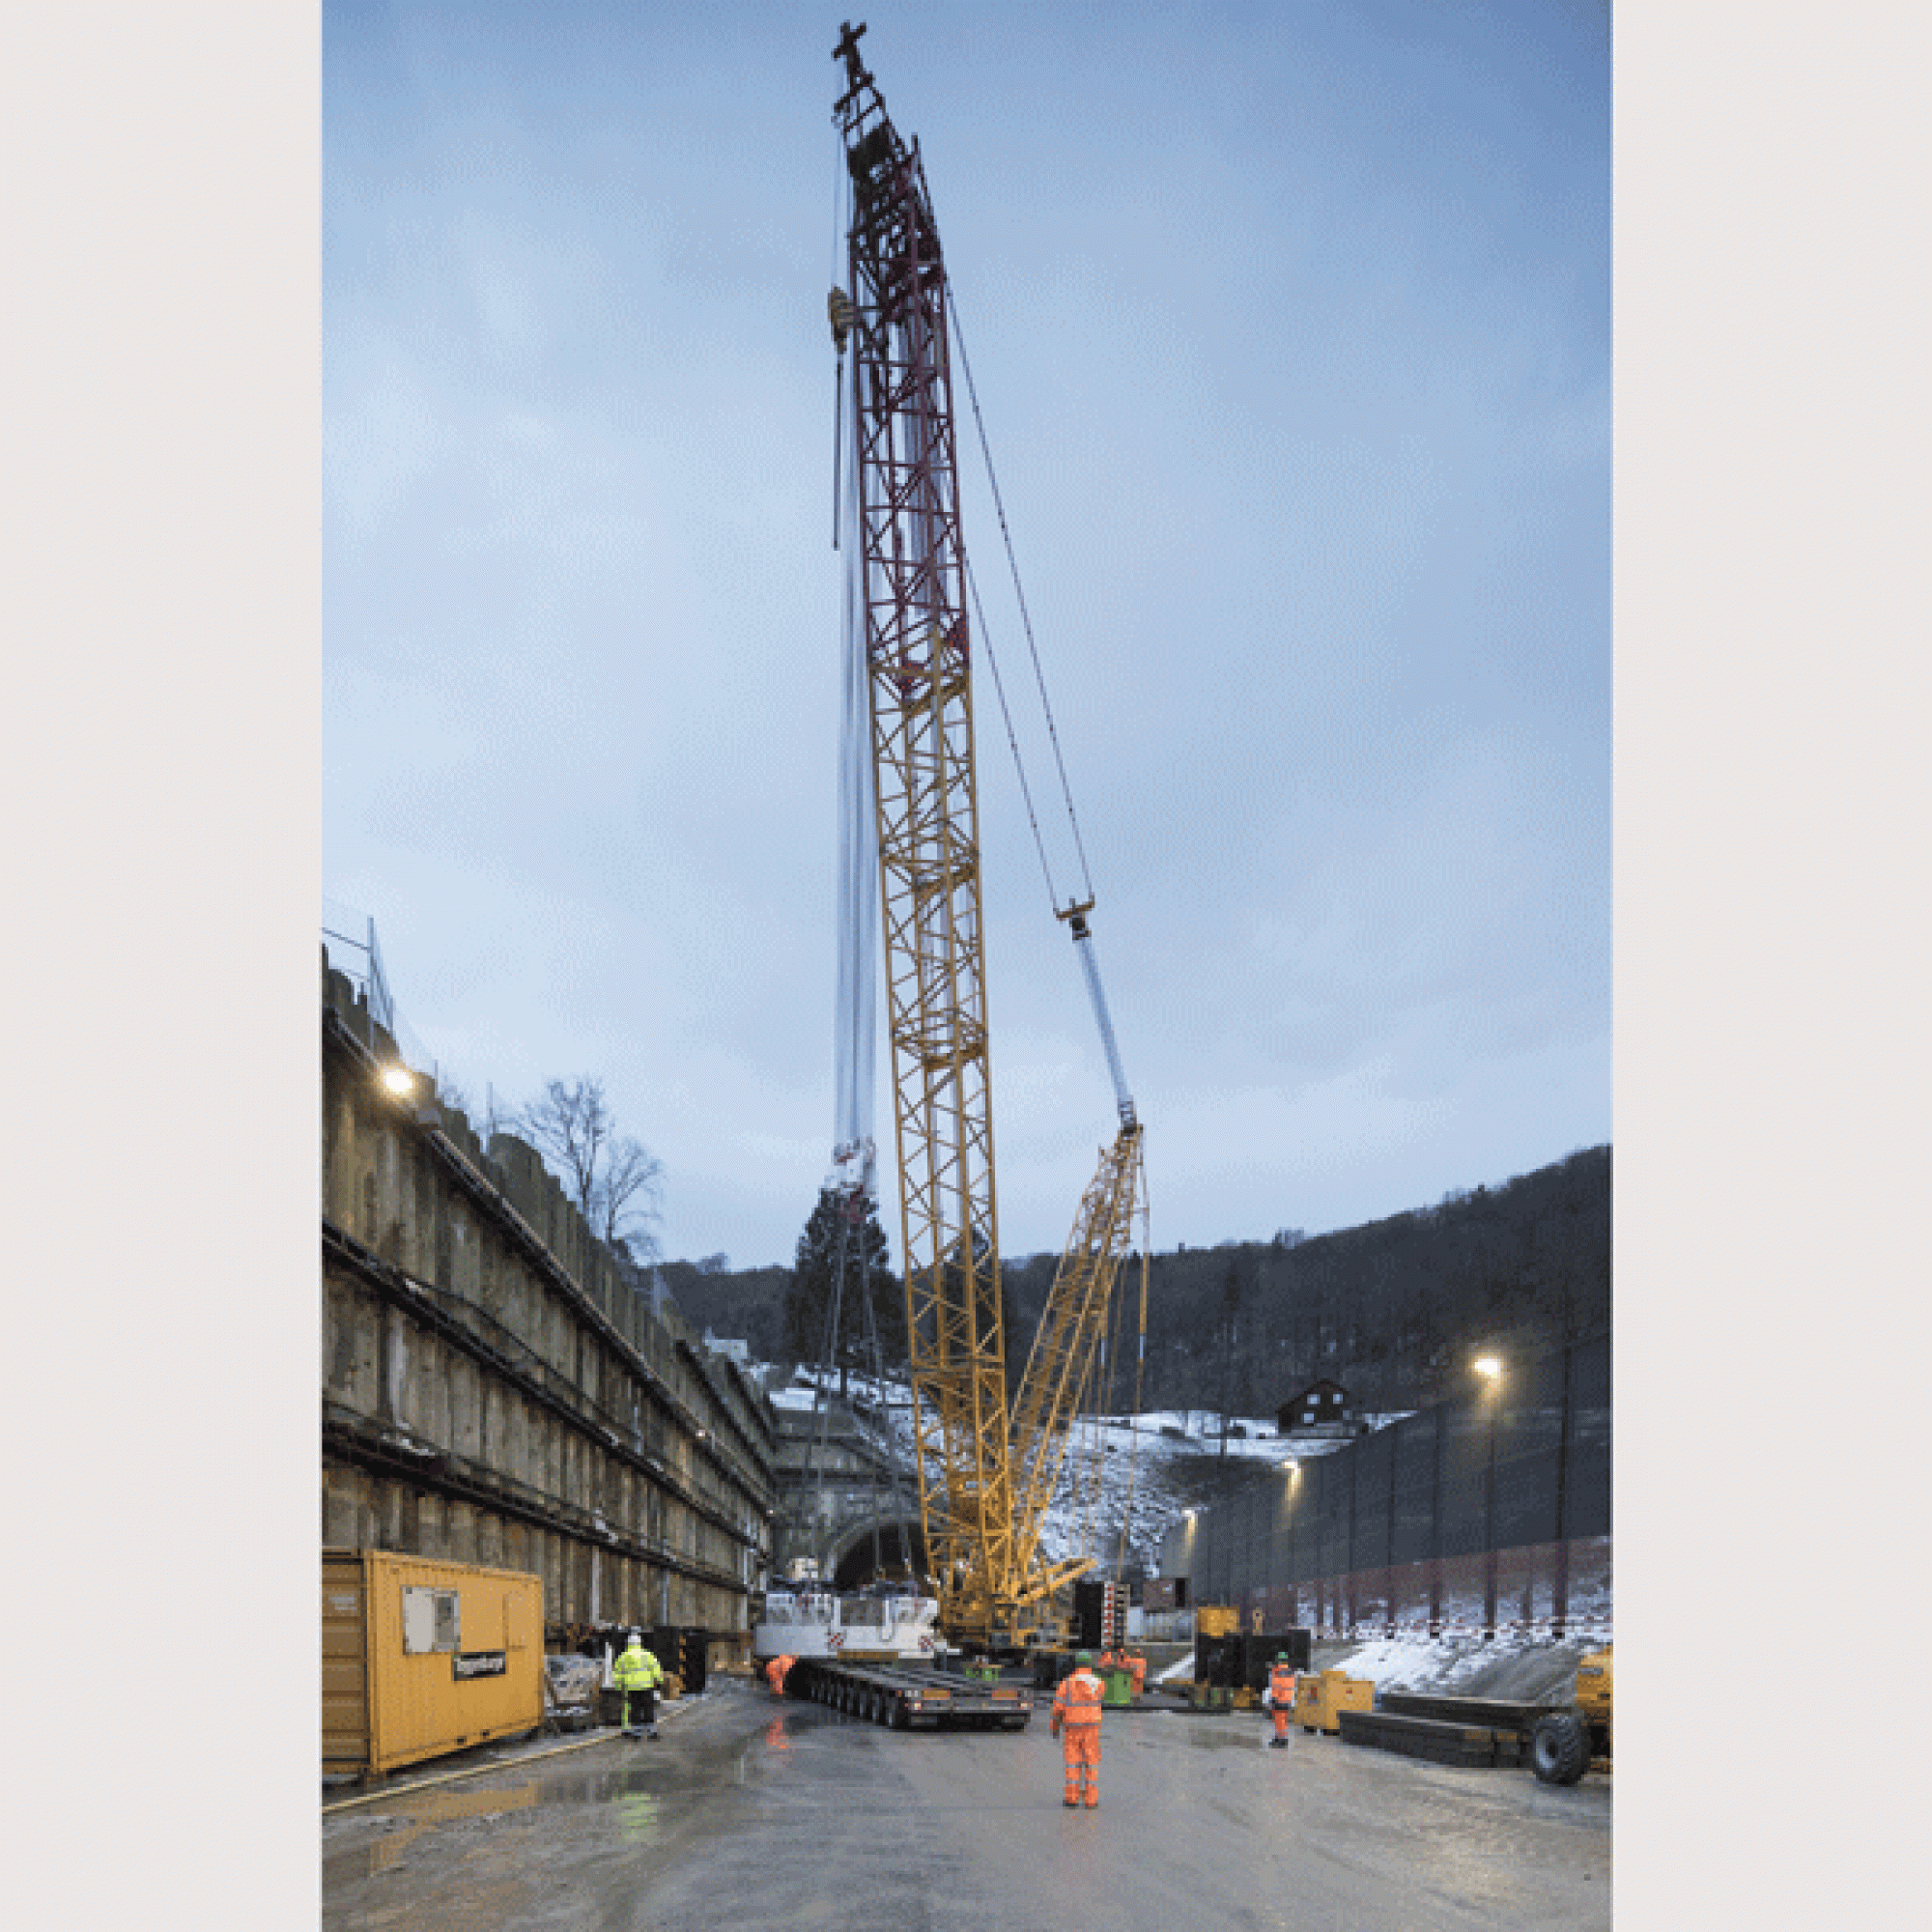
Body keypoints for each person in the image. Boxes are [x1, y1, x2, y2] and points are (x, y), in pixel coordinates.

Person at [1049, 1650, 1106, 1808]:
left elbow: (1057, 1710)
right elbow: (1099, 1697)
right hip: (1092, 1729)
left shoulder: (1066, 1683)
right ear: (1089, 1664)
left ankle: (1071, 1799)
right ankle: (1090, 1800)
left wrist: (1054, 1728)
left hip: (1072, 1728)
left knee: (1072, 1763)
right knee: (1091, 1763)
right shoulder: (1098, 1682)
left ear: (1076, 1664)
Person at [612, 1630, 666, 1739]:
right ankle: (652, 1733)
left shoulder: (623, 1657)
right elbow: (656, 1669)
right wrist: (659, 1681)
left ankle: (636, 1733)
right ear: (640, 1643)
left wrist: (619, 1687)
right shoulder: (647, 1655)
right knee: (648, 1708)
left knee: (634, 1709)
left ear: (628, 1644)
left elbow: (617, 1673)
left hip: (631, 1687)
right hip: (646, 1686)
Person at [1262, 1652, 1298, 1748]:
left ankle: (1280, 1739)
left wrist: (1273, 1698)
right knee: (1283, 1720)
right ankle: (1281, 1738)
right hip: (1287, 1699)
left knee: (1278, 1720)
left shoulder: (1277, 1671)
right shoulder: (1290, 1671)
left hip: (1279, 1699)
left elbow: (1276, 1686)